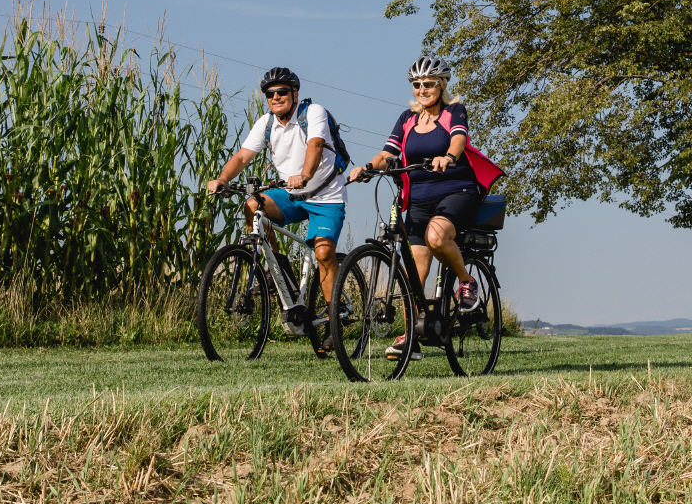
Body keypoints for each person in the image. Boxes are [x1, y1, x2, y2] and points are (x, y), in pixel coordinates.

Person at [349, 54, 484, 359]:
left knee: (437, 237)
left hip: (457, 190)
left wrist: (448, 158)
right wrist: (367, 168)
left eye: (429, 84)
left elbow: (459, 140)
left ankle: (466, 282)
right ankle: (411, 338)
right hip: (419, 198)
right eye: (417, 85)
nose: (422, 90)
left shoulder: (454, 111)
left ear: (442, 85)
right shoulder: (407, 119)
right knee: (413, 277)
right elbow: (389, 152)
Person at [205, 67, 346, 350]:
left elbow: (316, 145)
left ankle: (334, 323)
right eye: (270, 94)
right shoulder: (266, 122)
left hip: (325, 197)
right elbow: (243, 156)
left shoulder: (313, 112)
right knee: (252, 206)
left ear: (295, 93)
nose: (276, 97)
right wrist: (222, 179)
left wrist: (305, 175)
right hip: (290, 196)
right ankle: (276, 270)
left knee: (323, 253)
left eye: (282, 91)